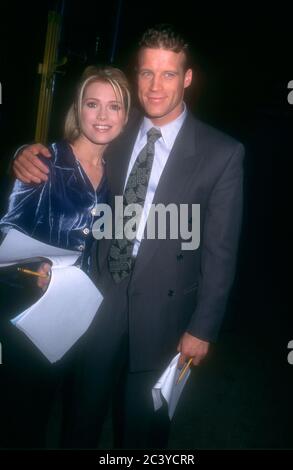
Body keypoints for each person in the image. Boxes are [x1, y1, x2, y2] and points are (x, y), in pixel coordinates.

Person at [12, 24, 245, 449]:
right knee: (81, 414)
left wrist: (203, 328)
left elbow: (221, 252)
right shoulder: (117, 128)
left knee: (144, 427)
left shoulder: (221, 153)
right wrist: (24, 152)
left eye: (168, 74)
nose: (155, 87)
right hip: (101, 296)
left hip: (166, 309)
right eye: (146, 74)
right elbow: (72, 148)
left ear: (187, 78)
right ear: (136, 76)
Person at [0, 65, 130, 449]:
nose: (103, 116)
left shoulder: (118, 175)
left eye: (115, 106)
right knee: (25, 421)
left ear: (127, 116)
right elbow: (4, 241)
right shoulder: (44, 162)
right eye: (93, 104)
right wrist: (31, 269)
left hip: (86, 315)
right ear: (79, 109)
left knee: (75, 416)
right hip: (31, 315)